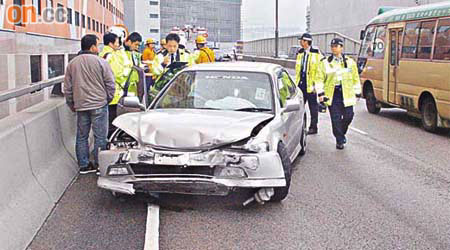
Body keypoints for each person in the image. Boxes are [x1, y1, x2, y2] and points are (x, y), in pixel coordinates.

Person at [64, 34, 115, 173]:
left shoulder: (72, 64)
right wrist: (107, 99)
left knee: (81, 136)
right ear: (92, 46)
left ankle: (84, 165)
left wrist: (71, 104)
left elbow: (67, 88)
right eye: (97, 45)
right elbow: (110, 84)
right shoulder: (101, 62)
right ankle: (100, 165)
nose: (98, 48)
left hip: (81, 105)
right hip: (99, 104)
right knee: (100, 137)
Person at [316, 38, 362, 150]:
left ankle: (341, 133)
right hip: (333, 94)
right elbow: (319, 79)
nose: (334, 48)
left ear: (341, 47)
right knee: (335, 118)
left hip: (347, 94)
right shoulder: (325, 63)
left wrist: (357, 92)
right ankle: (339, 140)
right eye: (332, 46)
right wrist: (321, 93)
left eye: (336, 46)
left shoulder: (350, 63)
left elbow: (355, 78)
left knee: (349, 116)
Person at [295, 33, 323, 135]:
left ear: (306, 42)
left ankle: (313, 127)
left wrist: (318, 86)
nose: (300, 42)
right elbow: (298, 69)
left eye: (301, 40)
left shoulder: (316, 53)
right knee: (300, 107)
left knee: (313, 107)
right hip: (301, 83)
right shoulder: (300, 53)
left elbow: (321, 70)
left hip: (311, 85)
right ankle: (299, 126)